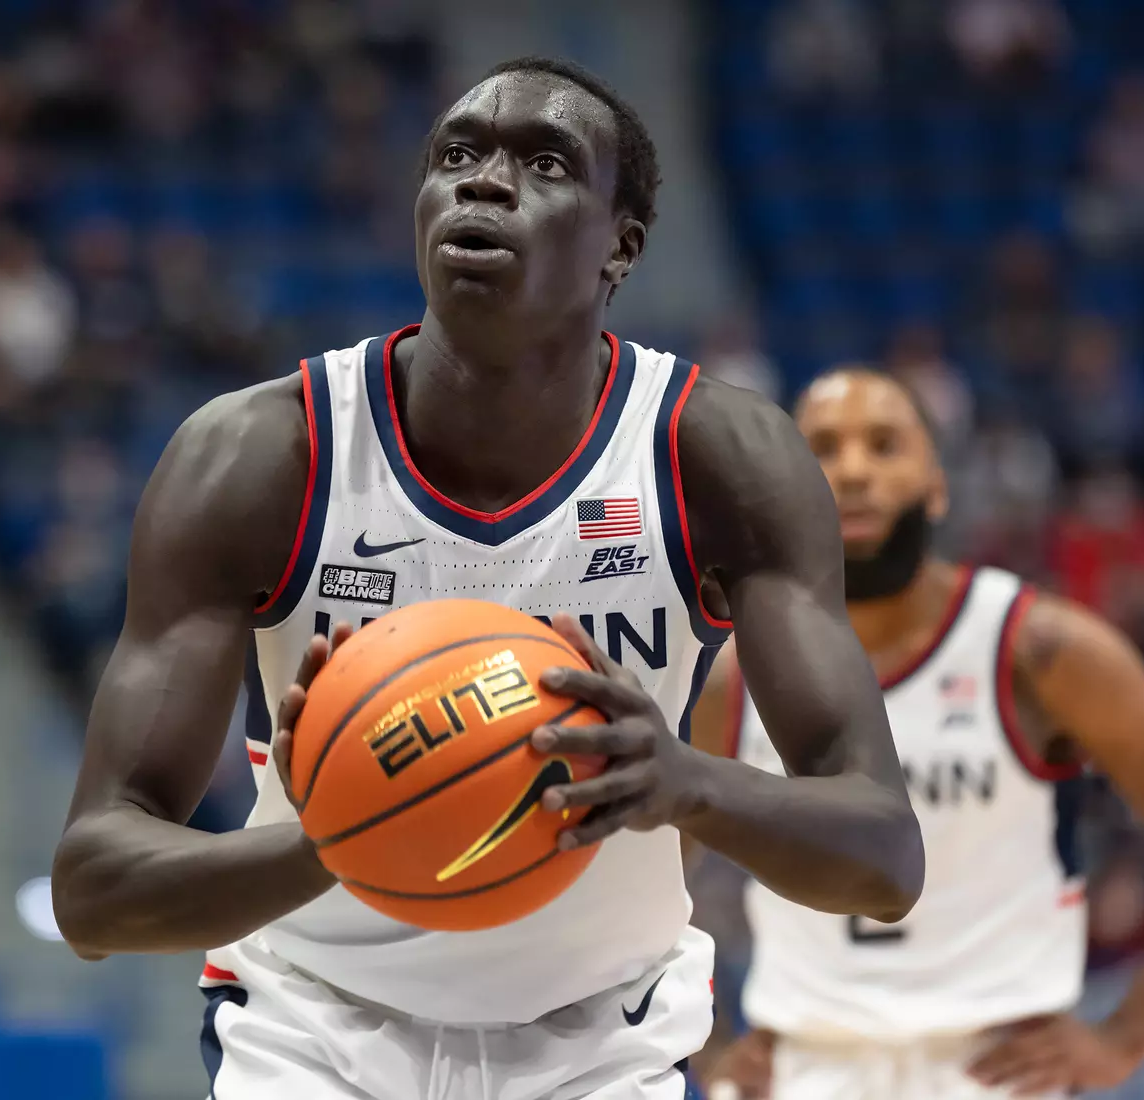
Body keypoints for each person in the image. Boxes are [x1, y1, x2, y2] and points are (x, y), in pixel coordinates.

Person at [52, 56, 924, 1100]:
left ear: (621, 245)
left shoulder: (718, 457)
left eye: (545, 163)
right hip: (312, 1025)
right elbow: (94, 886)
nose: (485, 182)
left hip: (607, 1039)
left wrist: (685, 781)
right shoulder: (259, 456)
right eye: (456, 155)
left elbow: (883, 854)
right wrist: (339, 838)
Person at [698, 369, 1144, 1099]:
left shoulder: (1036, 650)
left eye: (883, 445)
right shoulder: (738, 673)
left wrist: (1125, 1039)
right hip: (805, 1066)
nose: (853, 470)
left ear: (937, 483)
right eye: (824, 448)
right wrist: (708, 1044)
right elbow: (644, 879)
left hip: (996, 1067)